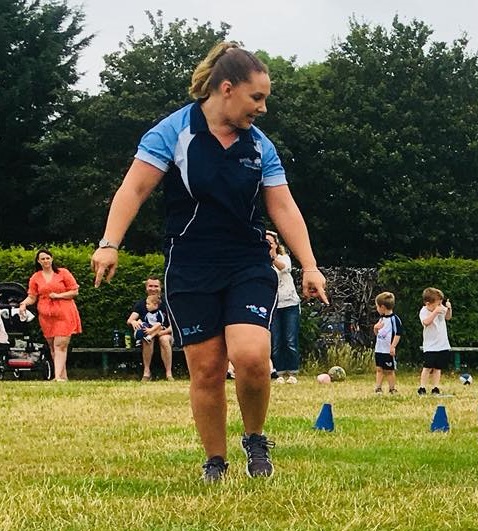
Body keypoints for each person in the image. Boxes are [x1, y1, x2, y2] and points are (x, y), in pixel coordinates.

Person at [91, 42, 328, 483]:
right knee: (207, 368)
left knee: (253, 357)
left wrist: (309, 265)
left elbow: (284, 208)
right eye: (257, 97)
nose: (262, 108)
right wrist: (110, 242)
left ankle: (255, 439)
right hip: (191, 265)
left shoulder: (260, 146)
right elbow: (134, 190)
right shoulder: (173, 131)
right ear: (227, 88)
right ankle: (215, 461)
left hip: (246, 261)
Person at [18, 249, 82, 382]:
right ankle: (63, 376)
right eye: (43, 259)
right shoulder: (36, 277)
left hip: (64, 312)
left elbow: (74, 291)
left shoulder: (63, 273)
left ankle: (57, 376)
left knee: (60, 345)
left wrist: (58, 295)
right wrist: (23, 304)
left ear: (52, 259)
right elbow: (32, 297)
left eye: (47, 258)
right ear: (38, 261)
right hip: (46, 316)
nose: (46, 261)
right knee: (53, 346)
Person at [266, 230, 301, 384]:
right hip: (273, 306)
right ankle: (279, 373)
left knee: (290, 339)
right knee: (276, 341)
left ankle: (292, 372)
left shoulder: (283, 258)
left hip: (289, 304)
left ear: (276, 244)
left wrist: (272, 256)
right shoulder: (261, 262)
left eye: (269, 243)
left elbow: (284, 268)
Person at [126, 277, 174, 382]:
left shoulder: (168, 303)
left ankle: (169, 373)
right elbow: (130, 320)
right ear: (146, 288)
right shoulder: (141, 304)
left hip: (165, 332)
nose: (153, 289)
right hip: (149, 333)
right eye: (150, 286)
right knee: (147, 339)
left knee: (164, 339)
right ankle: (146, 372)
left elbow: (174, 324)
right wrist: (134, 322)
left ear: (160, 288)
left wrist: (161, 332)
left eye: (156, 286)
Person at [417, 287, 452, 395]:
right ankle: (422, 387)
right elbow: (426, 322)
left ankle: (435, 387)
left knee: (438, 367)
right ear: (428, 303)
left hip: (442, 344)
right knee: (427, 367)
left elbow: (448, 317)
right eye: (437, 304)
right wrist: (435, 312)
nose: (439, 306)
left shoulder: (440, 308)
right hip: (430, 345)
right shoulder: (424, 311)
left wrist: (449, 309)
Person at [372, 291, 402, 394]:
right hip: (379, 349)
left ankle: (392, 388)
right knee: (379, 369)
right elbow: (377, 333)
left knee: (389, 370)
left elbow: (398, 334)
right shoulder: (381, 319)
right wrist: (375, 328)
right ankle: (378, 388)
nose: (376, 309)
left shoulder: (395, 320)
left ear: (382, 307)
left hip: (388, 350)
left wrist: (393, 347)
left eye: (377, 306)